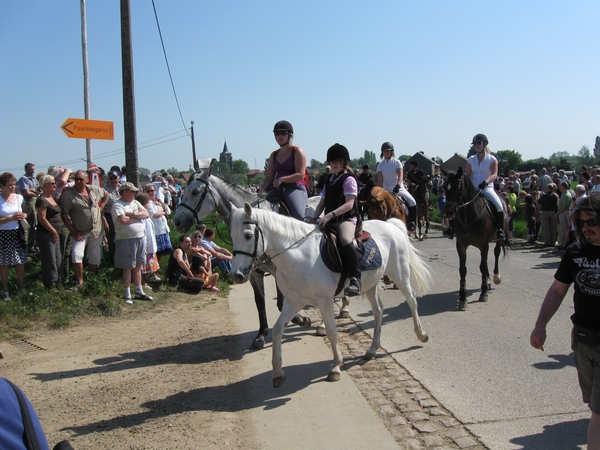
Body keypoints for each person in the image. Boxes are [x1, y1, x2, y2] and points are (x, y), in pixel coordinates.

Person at [530, 194, 600, 449]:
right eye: (581, 223)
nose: (586, 228)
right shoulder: (575, 251)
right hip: (583, 341)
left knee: (598, 417)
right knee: (594, 405)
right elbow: (558, 290)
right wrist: (540, 325)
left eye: (592, 221)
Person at [310, 143, 361, 297]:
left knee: (345, 239)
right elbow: (322, 202)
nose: (334, 164)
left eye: (337, 161)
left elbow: (349, 204)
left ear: (345, 162)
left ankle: (355, 279)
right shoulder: (328, 179)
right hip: (330, 219)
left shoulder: (349, 179)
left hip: (346, 219)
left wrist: (330, 215)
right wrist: (314, 217)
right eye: (332, 162)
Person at [444, 134, 505, 241]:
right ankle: (451, 228)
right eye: (475, 144)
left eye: (478, 143)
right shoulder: (471, 160)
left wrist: (485, 182)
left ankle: (499, 230)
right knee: (458, 204)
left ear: (484, 144)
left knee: (499, 206)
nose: (476, 145)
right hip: (472, 188)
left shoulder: (492, 159)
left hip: (487, 188)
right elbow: (467, 175)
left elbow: (494, 174)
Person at [60, 170, 109, 287]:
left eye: (81, 179)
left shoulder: (94, 189)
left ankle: (92, 280)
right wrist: (72, 231)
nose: (78, 181)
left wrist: (101, 206)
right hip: (80, 231)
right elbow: (64, 214)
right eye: (76, 179)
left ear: (86, 180)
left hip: (96, 229)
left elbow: (107, 194)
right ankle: (80, 282)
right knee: (77, 255)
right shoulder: (68, 194)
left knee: (94, 255)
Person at [111, 182, 152, 304]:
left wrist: (132, 214)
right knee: (128, 266)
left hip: (140, 237)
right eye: (132, 191)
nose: (135, 193)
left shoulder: (135, 203)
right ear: (124, 192)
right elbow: (122, 220)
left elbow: (146, 214)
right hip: (126, 239)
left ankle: (139, 291)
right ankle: (127, 292)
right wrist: (137, 217)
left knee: (138, 265)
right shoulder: (117, 204)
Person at [260, 120, 309, 220]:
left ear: (290, 135)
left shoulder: (297, 151)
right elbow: (269, 177)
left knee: (299, 217)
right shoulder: (274, 155)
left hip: (295, 188)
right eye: (277, 133)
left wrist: (282, 179)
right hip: (277, 188)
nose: (279, 136)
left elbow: (300, 175)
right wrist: (261, 191)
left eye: (283, 133)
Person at [376, 141, 417, 230]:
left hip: (398, 188)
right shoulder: (380, 165)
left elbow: (400, 175)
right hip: (386, 189)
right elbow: (379, 180)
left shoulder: (397, 162)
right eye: (384, 151)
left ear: (391, 152)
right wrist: (379, 190)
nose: (386, 153)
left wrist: (398, 185)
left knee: (413, 202)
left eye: (388, 151)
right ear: (382, 152)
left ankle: (412, 222)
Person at [0, 172, 28, 301]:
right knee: (4, 263)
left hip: (17, 233)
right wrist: (10, 218)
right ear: (2, 186)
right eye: (9, 185)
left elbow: (26, 212)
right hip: (3, 234)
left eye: (14, 184)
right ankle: (5, 290)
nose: (12, 187)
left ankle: (21, 287)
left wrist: (24, 215)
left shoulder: (18, 198)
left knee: (20, 261)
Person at [35, 175, 63, 289]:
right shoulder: (41, 200)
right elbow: (42, 219)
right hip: (46, 234)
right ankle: (50, 285)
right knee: (50, 259)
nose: (54, 185)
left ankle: (58, 282)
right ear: (45, 185)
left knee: (57, 258)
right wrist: (53, 232)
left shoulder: (52, 198)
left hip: (55, 233)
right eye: (52, 183)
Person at [144, 184, 172, 262]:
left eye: (152, 190)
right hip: (156, 231)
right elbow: (154, 215)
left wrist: (161, 203)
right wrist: (164, 212)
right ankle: (153, 270)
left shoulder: (158, 202)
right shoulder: (148, 204)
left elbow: (169, 211)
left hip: (163, 229)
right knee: (156, 252)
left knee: (162, 252)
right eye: (148, 191)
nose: (150, 192)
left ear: (155, 191)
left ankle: (157, 268)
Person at [17, 162, 39, 254]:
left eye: (33, 169)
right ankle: (30, 246)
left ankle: (35, 245)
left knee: (37, 223)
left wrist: (33, 190)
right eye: (31, 169)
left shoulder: (34, 179)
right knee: (32, 223)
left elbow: (39, 189)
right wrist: (35, 192)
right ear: (26, 169)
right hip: (29, 202)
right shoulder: (23, 179)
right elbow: (27, 193)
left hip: (36, 200)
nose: (33, 171)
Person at [103, 169, 121, 266]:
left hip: (122, 216)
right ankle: (114, 262)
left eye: (115, 177)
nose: (113, 180)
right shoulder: (105, 190)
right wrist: (104, 221)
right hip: (110, 216)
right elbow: (101, 207)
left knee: (122, 238)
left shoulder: (122, 188)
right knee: (113, 240)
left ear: (119, 178)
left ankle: (122, 261)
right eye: (111, 178)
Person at [556, 180, 573, 248]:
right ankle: (562, 242)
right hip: (562, 212)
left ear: (563, 186)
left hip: (564, 212)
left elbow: (564, 207)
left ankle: (564, 243)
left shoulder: (566, 195)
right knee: (561, 228)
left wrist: (557, 213)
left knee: (564, 228)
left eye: (560, 186)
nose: (559, 187)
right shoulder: (563, 194)